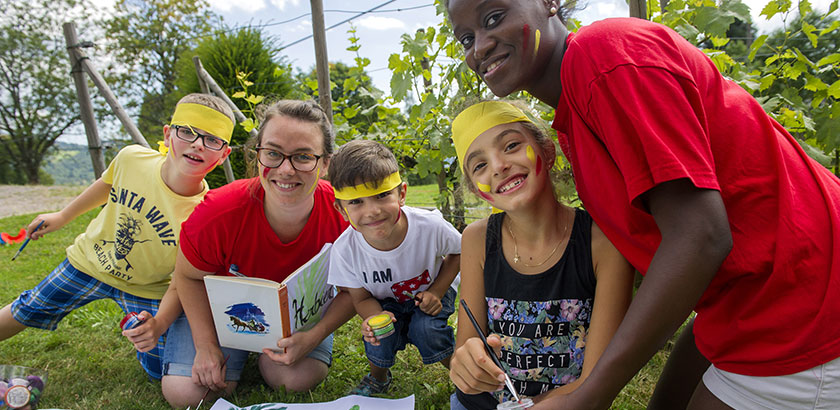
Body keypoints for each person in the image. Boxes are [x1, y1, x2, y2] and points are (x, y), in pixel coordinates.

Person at [446, 1, 840, 409]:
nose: (480, 47)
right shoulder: (577, 110)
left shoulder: (604, 59)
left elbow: (701, 235)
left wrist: (589, 395)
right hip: (744, 302)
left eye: (494, 18)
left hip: (807, 304)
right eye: (466, 38)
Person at [0, 93, 235, 380]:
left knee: (161, 369)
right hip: (90, 263)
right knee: (28, 307)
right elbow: (106, 184)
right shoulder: (132, 159)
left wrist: (159, 323)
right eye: (187, 131)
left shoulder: (204, 213)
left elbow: (182, 279)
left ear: (224, 155)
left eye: (212, 140)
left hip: (147, 288)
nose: (197, 144)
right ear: (167, 134)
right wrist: (62, 216)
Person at [160, 99, 353, 407]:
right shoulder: (218, 212)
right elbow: (187, 277)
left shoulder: (345, 214)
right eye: (273, 153)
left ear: (325, 162)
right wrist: (206, 345)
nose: (286, 170)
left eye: (303, 157)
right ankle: (227, 350)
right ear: (258, 153)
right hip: (221, 315)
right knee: (187, 394)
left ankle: (261, 358)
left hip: (301, 319)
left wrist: (314, 336)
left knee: (294, 380)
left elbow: (356, 288)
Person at [447, 100, 634, 409]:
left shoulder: (602, 242)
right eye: (480, 165)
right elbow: (468, 343)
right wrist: (466, 364)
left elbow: (597, 378)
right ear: (477, 189)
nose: (498, 166)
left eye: (511, 146)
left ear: (547, 151)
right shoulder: (476, 239)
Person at [326, 139, 462, 396]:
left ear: (401, 193)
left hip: (431, 293)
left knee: (427, 330)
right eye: (356, 202)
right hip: (383, 303)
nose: (372, 211)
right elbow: (360, 298)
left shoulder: (430, 226)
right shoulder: (345, 249)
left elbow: (458, 252)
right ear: (341, 209)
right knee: (378, 336)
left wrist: (437, 291)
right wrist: (373, 317)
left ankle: (462, 375)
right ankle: (378, 379)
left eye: (381, 195)